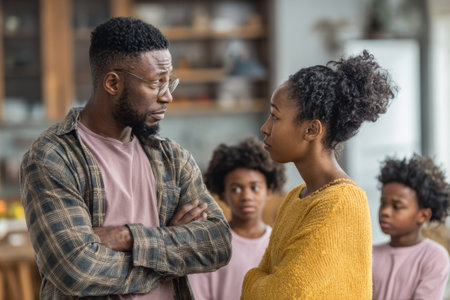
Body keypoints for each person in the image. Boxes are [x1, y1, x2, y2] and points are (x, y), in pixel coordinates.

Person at [19, 17, 232, 299]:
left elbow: (217, 243)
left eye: (170, 82)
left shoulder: (173, 158)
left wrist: (128, 237)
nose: (167, 96)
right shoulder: (52, 158)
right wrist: (171, 252)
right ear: (112, 83)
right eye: (156, 83)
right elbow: (77, 270)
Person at [241, 50, 397, 299]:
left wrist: (251, 281)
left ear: (312, 129)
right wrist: (263, 280)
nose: (265, 128)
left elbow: (285, 294)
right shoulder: (295, 198)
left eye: (275, 116)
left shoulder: (341, 202)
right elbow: (273, 282)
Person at [189, 137, 286, 300]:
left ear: (268, 190)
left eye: (254, 187)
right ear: (223, 194)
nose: (246, 196)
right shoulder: (210, 245)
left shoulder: (279, 244)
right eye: (236, 189)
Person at [373, 154, 450, 300]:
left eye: (396, 206)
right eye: (383, 203)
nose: (385, 212)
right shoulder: (370, 254)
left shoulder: (434, 257)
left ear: (423, 215)